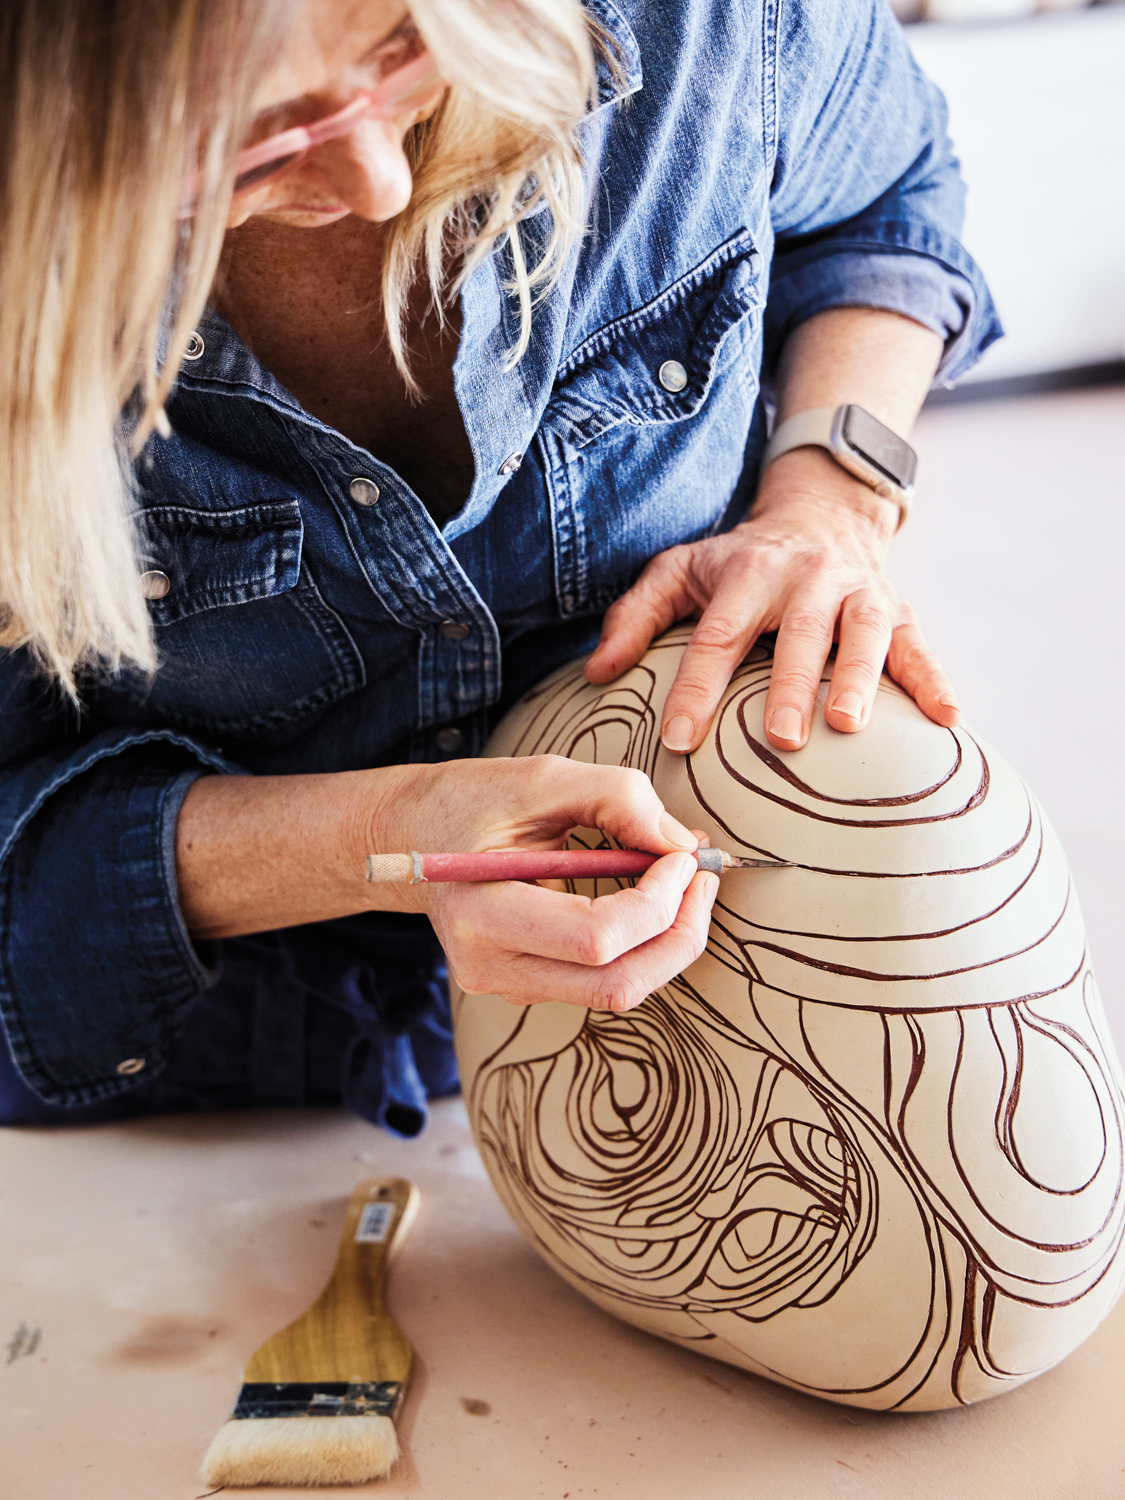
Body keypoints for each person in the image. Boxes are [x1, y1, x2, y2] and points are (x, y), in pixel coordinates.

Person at [0, 0, 999, 1134]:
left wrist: (830, 496)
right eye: (258, 137)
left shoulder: (692, 26)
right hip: (133, 1061)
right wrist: (381, 841)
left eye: (398, 52)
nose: (377, 179)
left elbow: (887, 196)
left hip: (650, 1042)